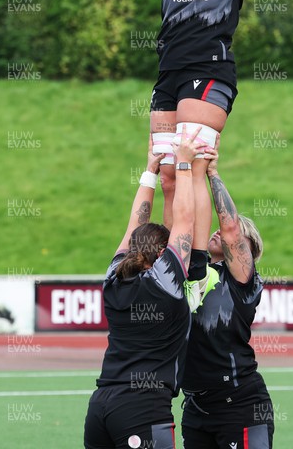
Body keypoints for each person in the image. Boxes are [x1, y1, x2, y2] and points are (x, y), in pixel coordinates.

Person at [150, 0, 273, 271]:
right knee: (169, 174)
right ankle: (172, 265)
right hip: (169, 76)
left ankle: (196, 268)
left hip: (212, 73)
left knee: (193, 168)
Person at [84, 127, 205, 449]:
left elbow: (133, 227)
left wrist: (150, 171)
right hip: (142, 406)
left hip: (101, 403)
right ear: (163, 254)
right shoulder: (164, 281)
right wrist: (184, 164)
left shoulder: (114, 277)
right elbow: (185, 222)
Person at [181, 138, 275, 449]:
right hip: (196, 407)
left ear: (247, 251)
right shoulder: (195, 271)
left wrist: (212, 173)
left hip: (241, 404)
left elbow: (231, 228)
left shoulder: (243, 281)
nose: (220, 229)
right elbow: (184, 222)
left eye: (234, 232)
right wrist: (182, 169)